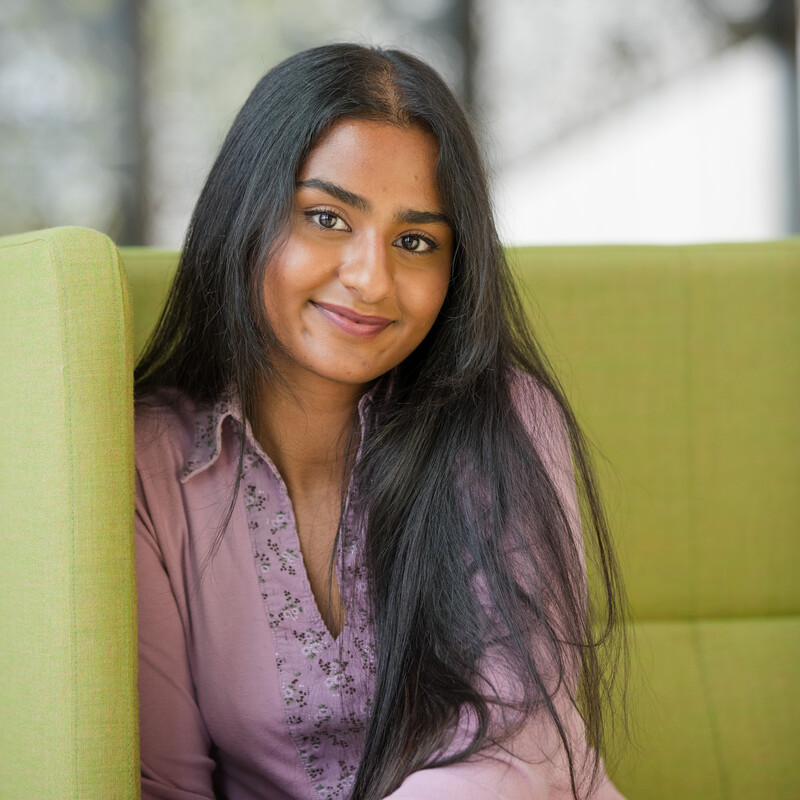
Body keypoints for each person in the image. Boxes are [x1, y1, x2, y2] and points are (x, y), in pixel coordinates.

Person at [133, 43, 630, 800]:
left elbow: (521, 758)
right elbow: (161, 783)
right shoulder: (149, 462)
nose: (371, 279)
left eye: (415, 241)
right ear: (245, 216)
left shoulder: (504, 423)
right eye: (327, 217)